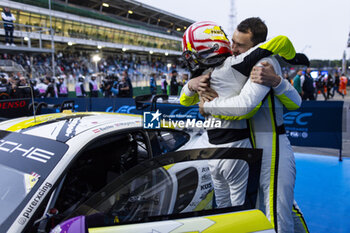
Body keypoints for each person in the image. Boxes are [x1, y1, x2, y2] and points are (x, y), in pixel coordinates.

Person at [181, 19, 309, 233]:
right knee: (263, 208)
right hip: (249, 147)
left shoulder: (263, 63)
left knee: (278, 211)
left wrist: (277, 81)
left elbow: (254, 106)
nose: (232, 48)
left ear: (255, 46)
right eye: (232, 41)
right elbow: (188, 96)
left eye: (240, 45)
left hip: (272, 146)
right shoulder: (233, 64)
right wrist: (191, 85)